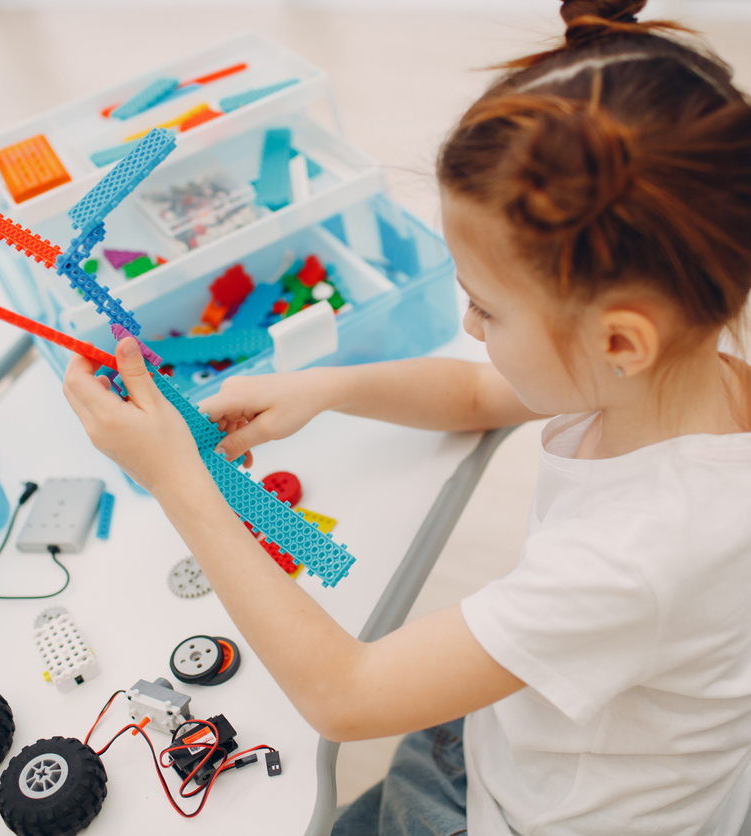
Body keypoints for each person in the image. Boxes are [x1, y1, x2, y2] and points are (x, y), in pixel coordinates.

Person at [63, 0, 751, 832]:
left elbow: (345, 698)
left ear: (620, 339)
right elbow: (474, 394)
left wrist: (176, 476)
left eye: (487, 310)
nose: (468, 327)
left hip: (530, 816)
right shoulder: (675, 381)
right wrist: (326, 389)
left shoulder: (640, 555)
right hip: (522, 733)